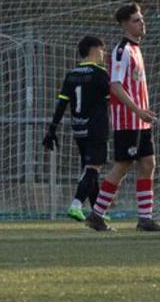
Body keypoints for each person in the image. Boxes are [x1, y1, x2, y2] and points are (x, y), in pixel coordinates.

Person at [85, 3, 160, 232]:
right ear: (124, 25)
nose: (142, 23)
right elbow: (115, 86)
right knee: (122, 166)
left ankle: (145, 218)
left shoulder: (136, 49)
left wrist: (143, 111)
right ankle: (96, 214)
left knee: (148, 163)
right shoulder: (121, 51)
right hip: (128, 120)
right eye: (136, 20)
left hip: (140, 120)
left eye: (141, 19)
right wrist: (137, 110)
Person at [44, 36, 110, 221]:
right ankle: (76, 204)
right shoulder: (100, 73)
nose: (103, 54)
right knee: (92, 168)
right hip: (96, 128)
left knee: (89, 169)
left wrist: (52, 129)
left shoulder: (71, 73)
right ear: (95, 50)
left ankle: (98, 213)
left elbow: (61, 104)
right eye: (102, 50)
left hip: (78, 128)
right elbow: (114, 98)